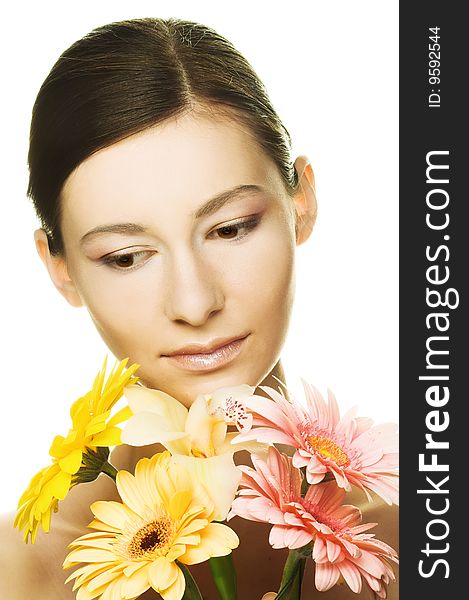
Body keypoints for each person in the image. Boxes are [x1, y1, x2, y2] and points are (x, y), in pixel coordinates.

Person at [0, 17, 398, 599]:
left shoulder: (421, 534)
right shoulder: (22, 570)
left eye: (231, 227)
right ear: (60, 268)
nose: (194, 303)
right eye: (127, 256)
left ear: (302, 201)